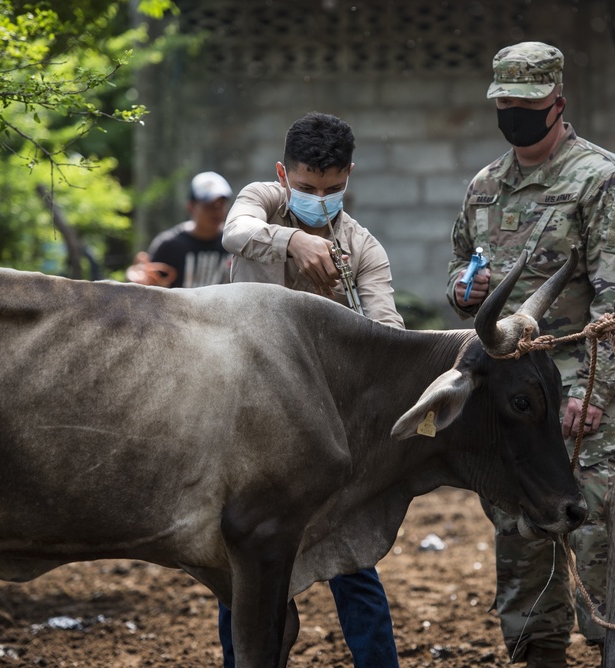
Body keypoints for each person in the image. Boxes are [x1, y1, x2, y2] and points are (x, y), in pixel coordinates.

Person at [445, 42, 615, 667]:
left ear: (558, 102)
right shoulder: (485, 186)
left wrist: (593, 392)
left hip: (578, 391)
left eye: (527, 104)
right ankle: (539, 655)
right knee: (519, 536)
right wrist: (463, 288)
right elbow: (459, 268)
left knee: (594, 535)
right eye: (504, 103)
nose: (514, 114)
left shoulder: (604, 179)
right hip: (510, 397)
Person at [218, 111, 403, 667]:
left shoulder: (363, 247)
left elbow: (388, 333)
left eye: (331, 189)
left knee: (352, 563)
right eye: (305, 188)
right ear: (283, 175)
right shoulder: (262, 202)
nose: (318, 198)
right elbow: (235, 231)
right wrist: (293, 240)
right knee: (246, 566)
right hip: (247, 421)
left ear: (349, 177)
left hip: (326, 430)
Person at [126, 170, 234, 288]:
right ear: (191, 207)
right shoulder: (170, 245)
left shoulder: (234, 244)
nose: (217, 212)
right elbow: (149, 286)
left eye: (221, 205)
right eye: (209, 206)